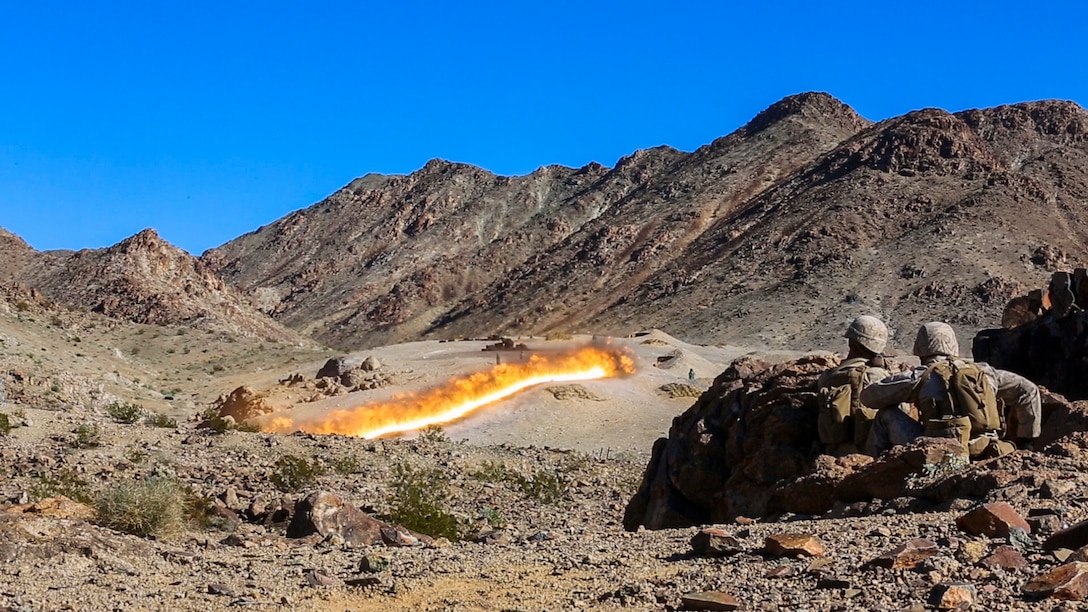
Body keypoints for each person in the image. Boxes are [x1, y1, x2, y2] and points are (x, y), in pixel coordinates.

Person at [861, 321, 1041, 458]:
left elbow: (868, 398)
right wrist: (1027, 443)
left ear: (921, 350)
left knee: (887, 414)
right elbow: (1029, 390)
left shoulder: (921, 376)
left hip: (942, 451)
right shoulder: (984, 372)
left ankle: (868, 468)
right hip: (988, 448)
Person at [816, 316, 892, 455]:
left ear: (851, 341)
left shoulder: (826, 376)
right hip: (867, 450)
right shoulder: (874, 375)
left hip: (833, 450)